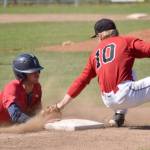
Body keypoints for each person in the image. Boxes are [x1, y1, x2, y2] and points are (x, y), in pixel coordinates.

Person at [47, 18, 150, 127]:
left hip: (108, 100)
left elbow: (82, 80)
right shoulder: (126, 41)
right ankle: (119, 112)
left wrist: (60, 105)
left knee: (130, 72)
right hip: (125, 94)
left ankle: (118, 116)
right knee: (128, 76)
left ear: (100, 35)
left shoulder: (94, 54)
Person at [0, 53, 44, 124]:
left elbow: (35, 111)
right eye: (32, 71)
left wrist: (46, 114)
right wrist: (36, 122)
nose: (37, 74)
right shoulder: (12, 88)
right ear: (22, 74)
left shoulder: (37, 87)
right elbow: (15, 115)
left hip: (8, 123)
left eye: (38, 70)